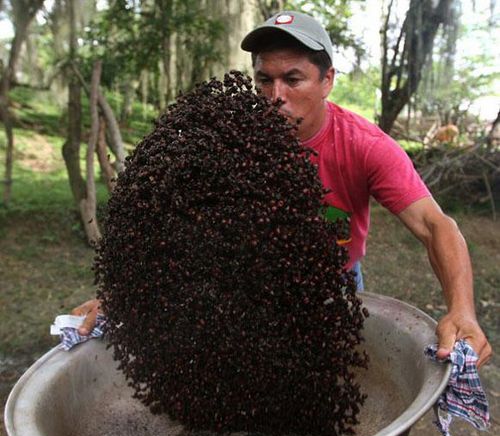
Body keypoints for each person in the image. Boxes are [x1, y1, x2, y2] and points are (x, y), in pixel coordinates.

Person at [73, 10, 491, 368]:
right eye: (264, 80)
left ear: (327, 80)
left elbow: (437, 226)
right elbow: (173, 222)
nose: (275, 97)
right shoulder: (226, 138)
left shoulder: (365, 147)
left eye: (293, 79)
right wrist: (121, 294)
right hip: (245, 279)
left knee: (332, 375)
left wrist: (462, 309)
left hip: (335, 282)